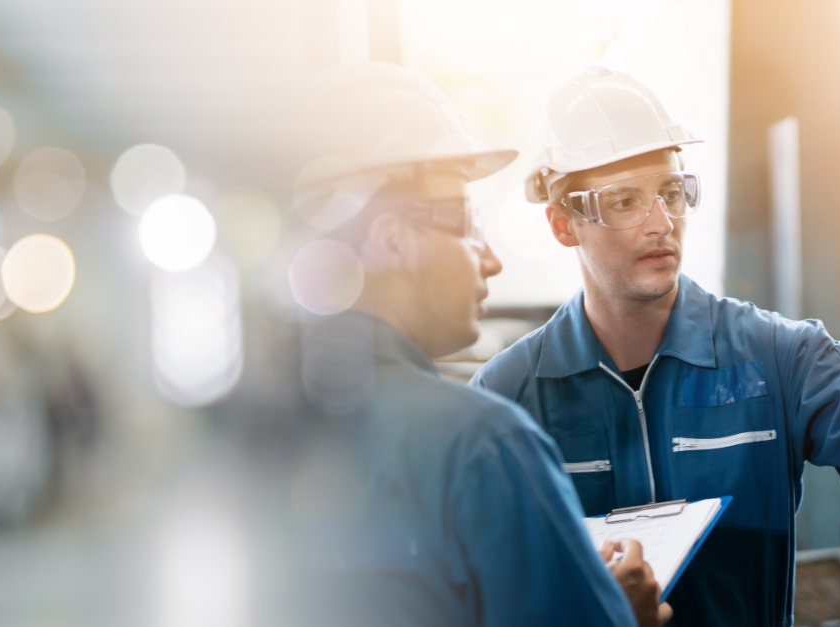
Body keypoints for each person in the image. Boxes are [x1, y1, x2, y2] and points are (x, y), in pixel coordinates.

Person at [471, 67, 840, 626]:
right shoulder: (508, 399)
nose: (661, 222)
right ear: (562, 223)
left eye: (672, 191)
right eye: (625, 201)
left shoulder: (776, 358)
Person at [281, 62, 672, 627]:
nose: (490, 258)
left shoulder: (247, 434)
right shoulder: (483, 444)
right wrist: (618, 616)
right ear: (392, 240)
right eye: (466, 223)